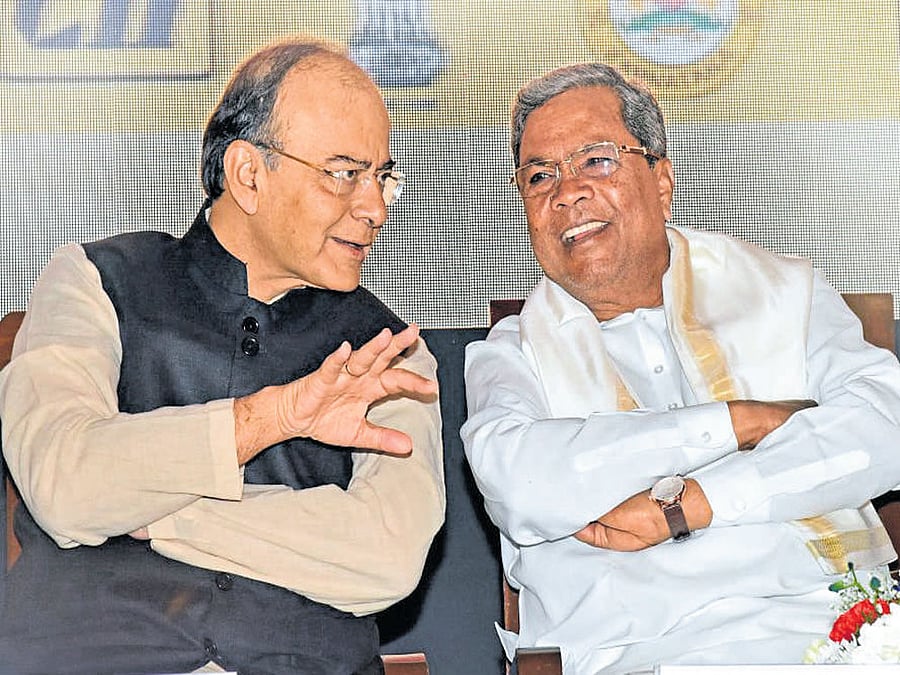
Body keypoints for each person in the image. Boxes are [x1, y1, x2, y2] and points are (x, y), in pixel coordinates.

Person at [0, 37, 445, 674]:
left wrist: (155, 506)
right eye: (345, 173)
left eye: (382, 177)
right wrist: (270, 418)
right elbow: (65, 483)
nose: (375, 208)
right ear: (248, 176)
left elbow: (388, 555)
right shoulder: (94, 281)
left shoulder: (390, 351)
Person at [461, 61, 900, 674]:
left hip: (833, 637)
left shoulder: (786, 292)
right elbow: (520, 483)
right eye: (540, 176)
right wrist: (740, 422)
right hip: (635, 655)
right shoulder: (511, 353)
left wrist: (694, 503)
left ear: (661, 180)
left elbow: (884, 427)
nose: (567, 192)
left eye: (596, 161)